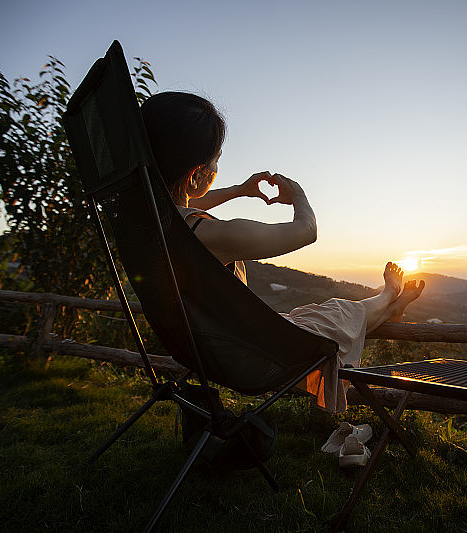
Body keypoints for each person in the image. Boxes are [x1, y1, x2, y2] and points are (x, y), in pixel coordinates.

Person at [141, 91, 425, 412]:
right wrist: (299, 196)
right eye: (217, 160)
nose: (218, 167)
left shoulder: (148, 218)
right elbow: (307, 231)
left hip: (197, 346)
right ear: (195, 174)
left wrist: (238, 190)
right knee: (339, 314)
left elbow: (183, 202)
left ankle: (388, 307)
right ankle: (388, 295)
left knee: (308, 316)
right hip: (244, 356)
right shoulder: (212, 235)